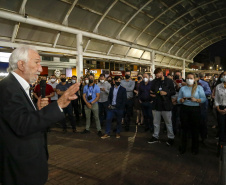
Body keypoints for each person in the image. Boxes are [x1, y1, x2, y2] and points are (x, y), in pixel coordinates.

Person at [0, 45, 80, 185]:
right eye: (36, 62)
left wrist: (36, 111)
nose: (40, 68)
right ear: (21, 64)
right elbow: (23, 125)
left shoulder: (16, 87)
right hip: (21, 170)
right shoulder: (8, 88)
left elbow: (20, 119)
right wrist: (59, 104)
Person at [177, 73, 206, 155]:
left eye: (191, 78)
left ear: (194, 79)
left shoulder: (199, 88)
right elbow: (179, 98)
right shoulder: (182, 88)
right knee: (184, 129)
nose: (189, 80)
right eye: (188, 78)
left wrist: (197, 100)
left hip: (195, 109)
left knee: (195, 129)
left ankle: (195, 148)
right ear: (186, 79)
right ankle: (183, 147)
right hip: (185, 109)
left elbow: (203, 99)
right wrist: (181, 100)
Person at [149, 68, 175, 146]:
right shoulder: (154, 82)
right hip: (156, 105)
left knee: (168, 123)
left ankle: (171, 137)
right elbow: (152, 91)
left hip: (166, 105)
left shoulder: (169, 81)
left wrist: (166, 93)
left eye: (157, 75)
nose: (156, 77)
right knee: (156, 123)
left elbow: (173, 91)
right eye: (155, 75)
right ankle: (155, 136)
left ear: (161, 73)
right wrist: (155, 93)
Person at [214, 71, 226, 152]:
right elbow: (216, 99)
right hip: (221, 108)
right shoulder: (218, 86)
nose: (225, 76)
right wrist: (218, 109)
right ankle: (221, 147)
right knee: (221, 127)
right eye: (224, 75)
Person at [198, 73, 212, 142]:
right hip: (195, 103)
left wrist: (201, 92)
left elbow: (209, 92)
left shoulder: (204, 83)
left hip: (202, 103)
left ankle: (203, 135)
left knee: (203, 119)